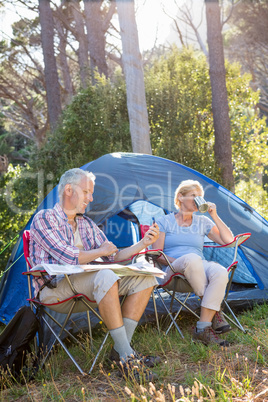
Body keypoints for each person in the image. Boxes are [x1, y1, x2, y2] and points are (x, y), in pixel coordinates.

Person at [30, 168, 160, 381]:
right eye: (87, 192)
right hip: (55, 291)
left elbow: (114, 255)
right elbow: (68, 256)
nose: (90, 198)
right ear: (69, 190)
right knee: (106, 275)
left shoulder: (86, 224)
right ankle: (128, 359)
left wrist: (142, 243)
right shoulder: (45, 218)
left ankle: (120, 351)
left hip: (86, 286)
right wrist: (101, 252)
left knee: (145, 277)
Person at [152, 179, 234, 346]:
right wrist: (185, 262)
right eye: (194, 196)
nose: (198, 200)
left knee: (219, 271)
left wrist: (214, 215)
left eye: (200, 197)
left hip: (198, 268)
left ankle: (202, 328)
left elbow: (229, 240)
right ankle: (215, 310)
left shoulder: (203, 222)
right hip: (172, 270)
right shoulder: (163, 222)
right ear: (181, 198)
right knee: (192, 259)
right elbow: (158, 255)